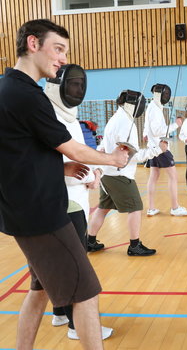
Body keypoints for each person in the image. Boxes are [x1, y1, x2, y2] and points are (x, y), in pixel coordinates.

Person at [0, 18, 129, 350]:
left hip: (25, 212)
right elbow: (70, 145)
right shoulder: (25, 94)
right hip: (41, 216)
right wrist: (113, 159)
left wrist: (60, 168)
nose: (61, 58)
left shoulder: (8, 89)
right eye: (58, 49)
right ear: (33, 44)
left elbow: (17, 156)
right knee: (85, 292)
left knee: (39, 291)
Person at [44, 64, 113, 340]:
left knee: (56, 263)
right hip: (62, 201)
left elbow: (79, 155)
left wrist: (95, 171)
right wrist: (86, 176)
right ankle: (77, 325)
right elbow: (54, 163)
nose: (77, 90)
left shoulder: (70, 118)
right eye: (72, 85)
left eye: (79, 85)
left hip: (77, 199)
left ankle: (60, 312)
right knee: (75, 265)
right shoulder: (47, 116)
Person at [87, 89, 160, 256]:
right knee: (135, 207)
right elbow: (131, 157)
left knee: (103, 208)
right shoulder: (127, 123)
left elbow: (107, 147)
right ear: (132, 105)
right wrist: (156, 150)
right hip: (119, 175)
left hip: (108, 173)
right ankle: (134, 246)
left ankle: (89, 242)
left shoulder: (115, 118)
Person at [143, 83, 187, 217]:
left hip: (153, 147)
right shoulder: (154, 109)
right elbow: (158, 130)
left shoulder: (152, 107)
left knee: (154, 177)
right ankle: (175, 208)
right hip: (160, 148)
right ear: (161, 95)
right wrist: (177, 124)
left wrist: (146, 134)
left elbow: (148, 128)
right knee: (173, 177)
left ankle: (151, 208)